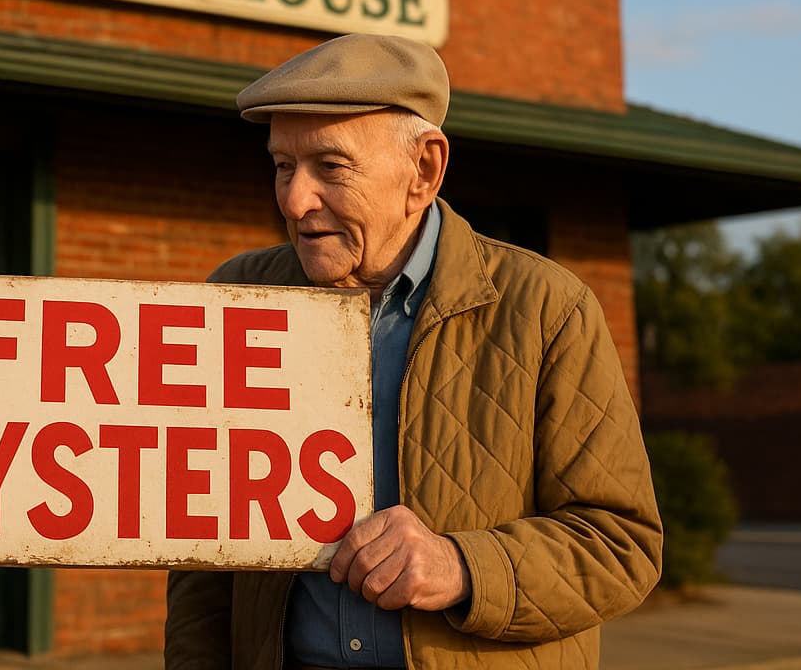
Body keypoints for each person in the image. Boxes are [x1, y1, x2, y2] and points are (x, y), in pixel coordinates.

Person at [165, 34, 661, 670]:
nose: (293, 200)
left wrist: (461, 566)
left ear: (423, 170)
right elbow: (202, 563)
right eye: (283, 166)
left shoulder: (548, 309)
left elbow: (622, 547)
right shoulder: (238, 295)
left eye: (330, 167)